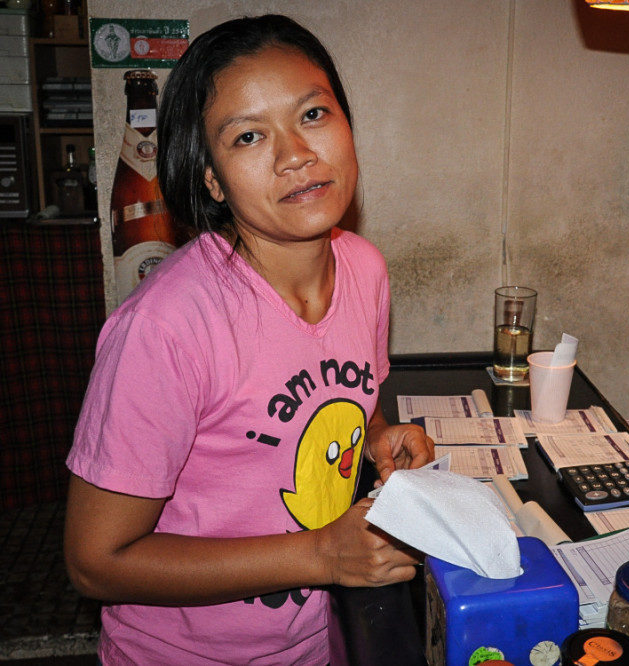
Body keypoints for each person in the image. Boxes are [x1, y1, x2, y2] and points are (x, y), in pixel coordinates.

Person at [64, 14, 435, 665]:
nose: (295, 153)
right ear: (211, 178)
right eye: (249, 136)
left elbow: (345, 392)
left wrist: (376, 438)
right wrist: (322, 554)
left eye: (313, 114)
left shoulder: (366, 270)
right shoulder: (169, 326)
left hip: (318, 639)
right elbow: (96, 564)